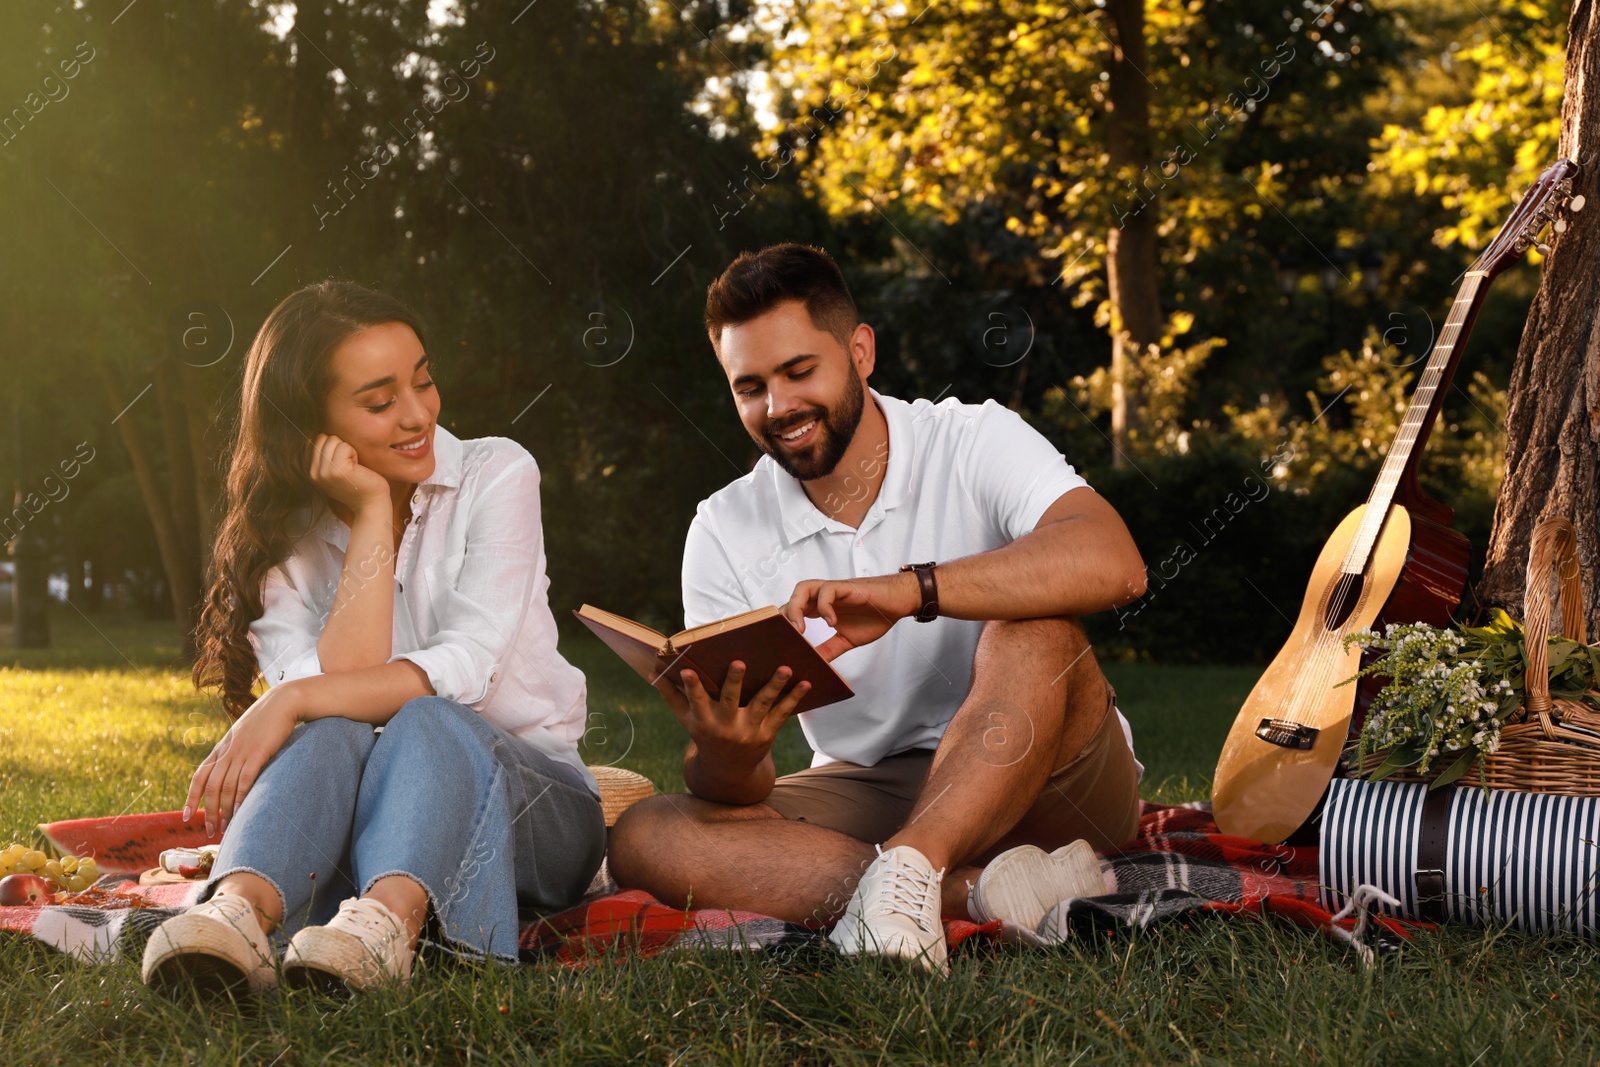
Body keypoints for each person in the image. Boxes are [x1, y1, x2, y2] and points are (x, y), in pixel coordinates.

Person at [608, 244, 1148, 974]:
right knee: (649, 832)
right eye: (750, 387)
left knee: (1039, 628)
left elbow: (1115, 563)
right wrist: (729, 754)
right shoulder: (722, 529)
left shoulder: (971, 437)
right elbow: (738, 790)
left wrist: (915, 589)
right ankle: (973, 893)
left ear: (860, 351)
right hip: (877, 783)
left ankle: (908, 871)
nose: (779, 408)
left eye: (800, 371)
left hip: (1052, 771)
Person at [141, 280, 605, 996]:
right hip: (367, 818)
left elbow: (466, 668)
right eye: (380, 402)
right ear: (309, 425)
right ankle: (238, 917)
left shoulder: (497, 473)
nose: (417, 414)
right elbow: (339, 700)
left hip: (537, 812)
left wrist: (290, 698)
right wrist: (369, 515)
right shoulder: (281, 542)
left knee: (424, 712)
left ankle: (385, 928)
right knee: (329, 728)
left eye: (423, 381)